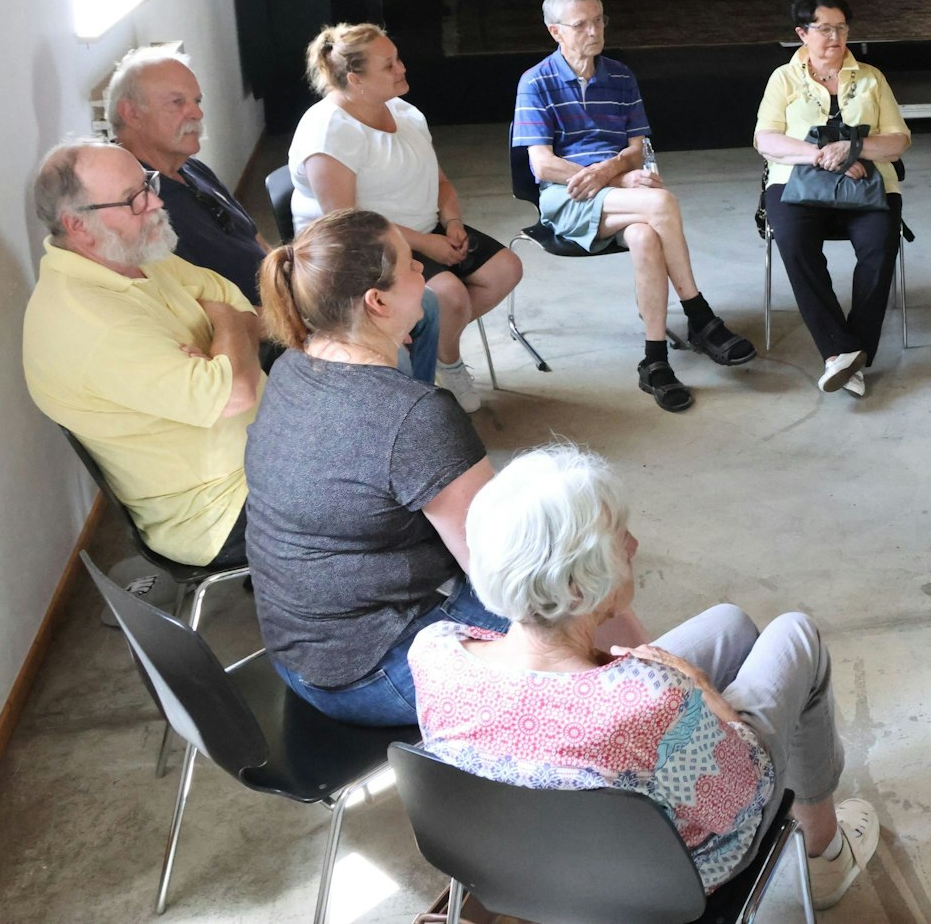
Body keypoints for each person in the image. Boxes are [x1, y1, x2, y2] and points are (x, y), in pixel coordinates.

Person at [410, 444, 879, 908]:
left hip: (509, 860)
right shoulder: (654, 700)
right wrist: (710, 699)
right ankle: (825, 855)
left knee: (729, 624)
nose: (633, 545)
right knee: (797, 635)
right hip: (665, 882)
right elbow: (748, 798)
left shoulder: (435, 652)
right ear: (577, 586)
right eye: (618, 537)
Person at [243, 210, 649, 725]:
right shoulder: (413, 417)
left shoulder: (294, 365)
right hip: (372, 671)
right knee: (575, 574)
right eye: (414, 266)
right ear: (377, 301)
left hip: (302, 653)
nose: (427, 274)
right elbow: (506, 572)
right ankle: (654, 693)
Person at [104, 45, 442, 380]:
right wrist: (300, 317)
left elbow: (255, 239)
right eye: (177, 103)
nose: (196, 113)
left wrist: (311, 290)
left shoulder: (191, 168)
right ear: (131, 113)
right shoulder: (134, 204)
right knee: (391, 351)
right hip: (254, 337)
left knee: (423, 302)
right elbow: (194, 314)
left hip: (283, 301)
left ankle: (419, 407)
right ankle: (404, 418)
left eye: (196, 101)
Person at [511, 0, 755, 413]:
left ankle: (655, 358)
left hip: (616, 196)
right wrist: (612, 179)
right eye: (581, 24)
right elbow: (542, 166)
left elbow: (635, 149)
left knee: (645, 235)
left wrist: (614, 173)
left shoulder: (621, 76)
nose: (594, 30)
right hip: (565, 197)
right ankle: (700, 317)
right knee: (661, 205)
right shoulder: (536, 82)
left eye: (599, 19)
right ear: (556, 32)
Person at [23, 141, 262, 568]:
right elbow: (236, 391)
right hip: (223, 507)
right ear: (77, 226)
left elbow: (239, 302)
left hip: (262, 446)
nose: (155, 201)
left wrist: (220, 348)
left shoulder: (133, 252)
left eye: (146, 183)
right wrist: (224, 323)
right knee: (389, 483)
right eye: (133, 198)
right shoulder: (89, 324)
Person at [288, 23, 523, 412]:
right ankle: (447, 365)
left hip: (426, 227)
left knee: (505, 269)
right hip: (367, 245)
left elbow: (441, 181)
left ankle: (432, 347)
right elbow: (346, 222)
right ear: (355, 79)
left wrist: (451, 223)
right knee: (449, 295)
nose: (402, 68)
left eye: (397, 58)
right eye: (389, 65)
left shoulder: (404, 112)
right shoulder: (329, 131)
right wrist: (425, 243)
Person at [754, 0, 913, 397]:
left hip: (867, 183)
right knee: (794, 241)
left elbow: (898, 140)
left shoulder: (872, 78)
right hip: (795, 184)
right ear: (802, 33)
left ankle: (849, 353)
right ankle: (840, 352)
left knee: (879, 245)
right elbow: (765, 139)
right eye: (824, 29)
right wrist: (823, 155)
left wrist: (855, 148)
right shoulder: (783, 78)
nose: (835, 38)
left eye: (841, 28)